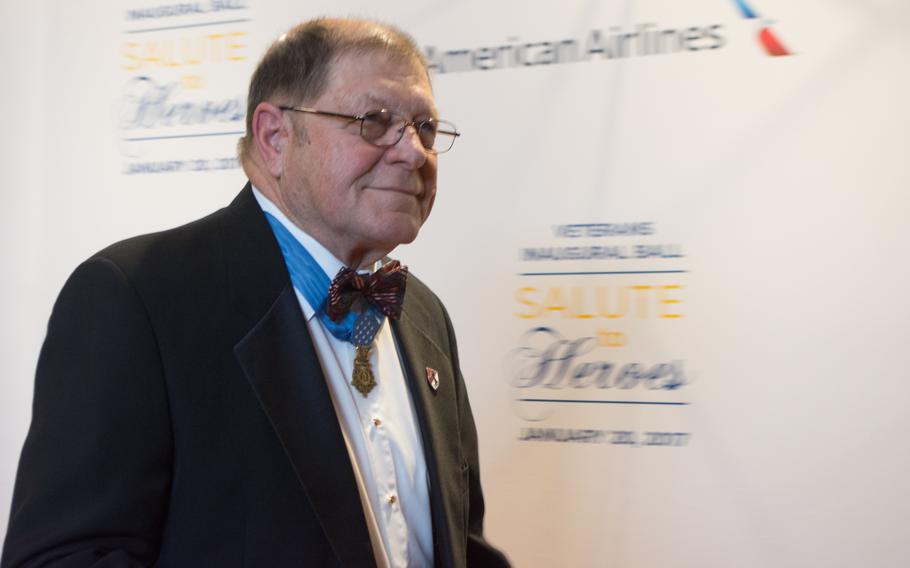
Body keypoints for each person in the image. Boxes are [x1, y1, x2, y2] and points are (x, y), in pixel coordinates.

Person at [2, 17, 509, 568]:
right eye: (375, 121)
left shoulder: (425, 316)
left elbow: (462, 548)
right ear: (274, 138)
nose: (413, 151)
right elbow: (63, 558)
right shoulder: (135, 299)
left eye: (426, 128)